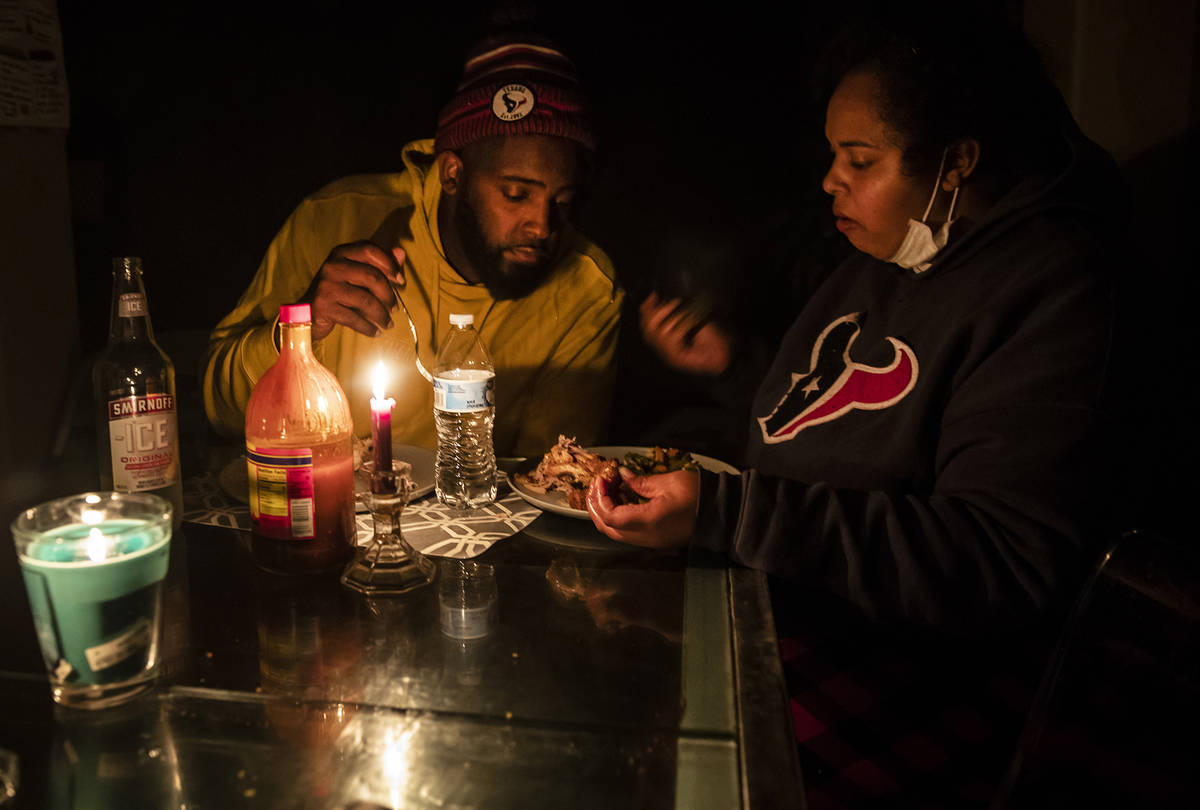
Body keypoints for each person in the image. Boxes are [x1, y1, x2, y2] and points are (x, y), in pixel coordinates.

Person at [588, 10, 1126, 809]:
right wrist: (739, 373)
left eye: (860, 159)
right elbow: (849, 429)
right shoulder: (893, 255)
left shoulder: (1053, 293)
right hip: (787, 605)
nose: (831, 180)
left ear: (956, 162)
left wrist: (731, 514)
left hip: (905, 679)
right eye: (834, 154)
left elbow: (1000, 558)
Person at [202, 31, 623, 458]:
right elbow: (220, 412)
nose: (542, 226)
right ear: (453, 174)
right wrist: (299, 332)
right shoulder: (335, 219)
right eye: (516, 194)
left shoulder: (586, 290)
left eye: (562, 202)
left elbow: (552, 478)